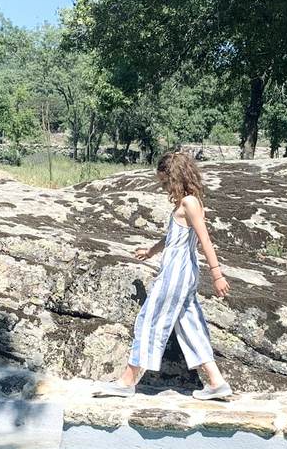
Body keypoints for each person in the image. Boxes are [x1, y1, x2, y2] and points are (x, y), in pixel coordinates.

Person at [99, 151, 233, 400]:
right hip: (182, 273)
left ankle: (127, 381)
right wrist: (151, 251)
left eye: (164, 181)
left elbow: (204, 239)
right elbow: (173, 238)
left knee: (151, 320)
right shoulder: (185, 203)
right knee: (190, 325)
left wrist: (217, 274)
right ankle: (216, 381)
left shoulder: (190, 203)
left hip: (176, 274)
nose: (163, 187)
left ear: (175, 177)